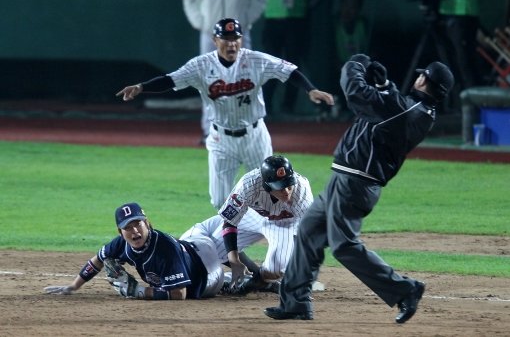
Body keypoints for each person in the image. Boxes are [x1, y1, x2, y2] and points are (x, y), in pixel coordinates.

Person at [263, 54, 454, 323]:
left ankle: (406, 290)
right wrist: (386, 83)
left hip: (356, 183)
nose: (417, 76)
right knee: (308, 230)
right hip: (347, 179)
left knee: (344, 246)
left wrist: (358, 63)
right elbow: (389, 105)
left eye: (421, 75)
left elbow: (355, 91)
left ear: (424, 80)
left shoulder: (408, 111)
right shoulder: (417, 110)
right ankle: (296, 303)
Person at [116, 18, 334, 210]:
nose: (232, 43)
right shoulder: (201, 66)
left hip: (255, 136)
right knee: (220, 201)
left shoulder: (255, 60)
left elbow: (288, 70)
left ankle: (289, 229)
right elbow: (171, 80)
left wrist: (311, 89)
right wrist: (142, 87)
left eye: (235, 38)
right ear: (215, 40)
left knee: (271, 192)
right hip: (221, 140)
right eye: (226, 38)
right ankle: (237, 240)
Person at [179, 155, 316, 292]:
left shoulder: (302, 191)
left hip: (285, 224)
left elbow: (307, 232)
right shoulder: (249, 184)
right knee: (212, 250)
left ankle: (260, 281)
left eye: (288, 184)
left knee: (276, 268)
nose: (286, 191)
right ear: (266, 185)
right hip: (254, 215)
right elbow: (229, 222)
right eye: (280, 187)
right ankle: (247, 275)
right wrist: (234, 261)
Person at [44, 202, 224, 300]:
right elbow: (98, 259)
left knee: (221, 280)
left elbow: (180, 294)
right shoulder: (120, 243)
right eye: (127, 227)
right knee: (165, 280)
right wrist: (74, 286)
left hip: (207, 271)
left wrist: (139, 291)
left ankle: (236, 277)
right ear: (120, 232)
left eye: (138, 224)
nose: (135, 231)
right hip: (188, 253)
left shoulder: (165, 249)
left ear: (147, 223)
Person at [182, 0, 268, 144]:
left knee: (246, 80)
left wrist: (245, 19)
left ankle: (250, 130)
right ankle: (210, 131)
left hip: (237, 35)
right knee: (210, 82)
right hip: (210, 34)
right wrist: (202, 23)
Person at [261, 0, 321, 115]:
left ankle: (288, 106)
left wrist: (305, 4)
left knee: (293, 64)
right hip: (272, 14)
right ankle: (266, 106)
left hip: (297, 16)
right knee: (269, 63)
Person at [330, 0, 369, 121]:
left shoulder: (364, 25)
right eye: (345, 5)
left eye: (353, 7)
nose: (348, 10)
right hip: (338, 69)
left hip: (358, 71)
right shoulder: (333, 25)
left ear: (359, 10)